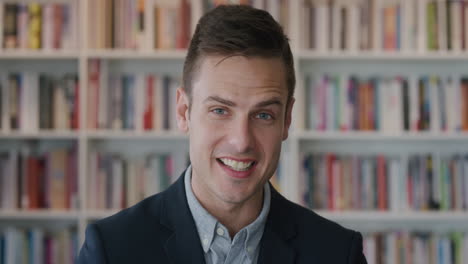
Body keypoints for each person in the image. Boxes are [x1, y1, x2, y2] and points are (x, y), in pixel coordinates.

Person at [78, 5, 367, 264]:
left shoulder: (338, 253)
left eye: (263, 115)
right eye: (220, 110)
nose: (241, 141)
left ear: (287, 120)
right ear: (183, 112)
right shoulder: (112, 249)